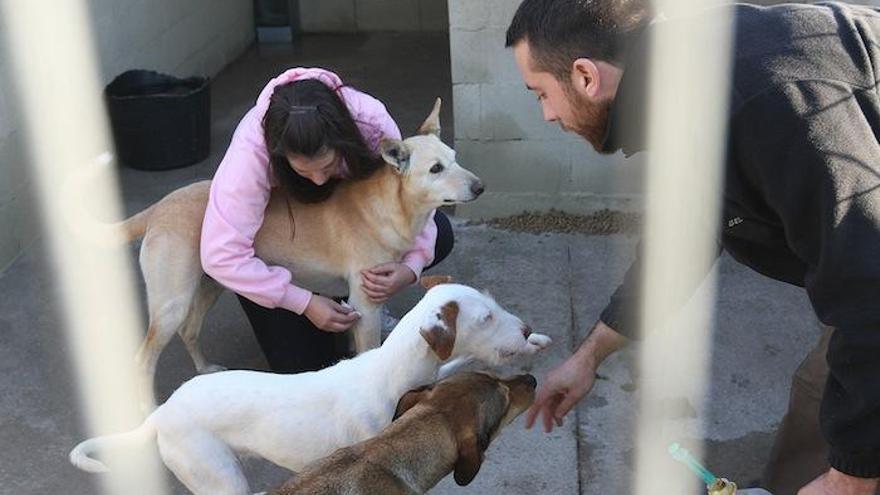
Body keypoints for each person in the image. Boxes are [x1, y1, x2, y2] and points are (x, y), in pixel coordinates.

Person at [505, 1, 880, 494]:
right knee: (823, 397)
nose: (548, 115)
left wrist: (850, 478)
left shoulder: (765, 100)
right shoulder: (680, 84)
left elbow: (868, 290)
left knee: (856, 435)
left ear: (584, 76)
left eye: (541, 94)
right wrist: (589, 357)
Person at [200, 68, 453, 373]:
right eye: (304, 172)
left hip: (342, 225)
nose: (318, 180)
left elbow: (412, 196)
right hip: (279, 253)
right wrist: (302, 302)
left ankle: (353, 296)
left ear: (344, 140)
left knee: (442, 233)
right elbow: (220, 256)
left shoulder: (372, 123)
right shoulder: (249, 155)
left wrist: (410, 267)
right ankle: (315, 298)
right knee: (308, 369)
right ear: (278, 154)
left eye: (329, 165)